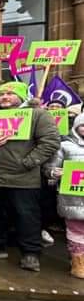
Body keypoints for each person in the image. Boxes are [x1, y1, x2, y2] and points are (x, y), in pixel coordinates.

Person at [0, 81, 60, 271]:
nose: (5, 97)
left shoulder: (38, 114)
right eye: (2, 94)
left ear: (21, 96)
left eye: (10, 93)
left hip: (23, 178)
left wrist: (28, 162)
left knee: (26, 215)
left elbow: (51, 141)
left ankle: (31, 253)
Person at [45, 112, 84, 279]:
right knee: (76, 230)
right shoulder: (65, 146)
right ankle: (78, 263)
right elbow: (48, 169)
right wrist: (54, 172)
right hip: (72, 198)